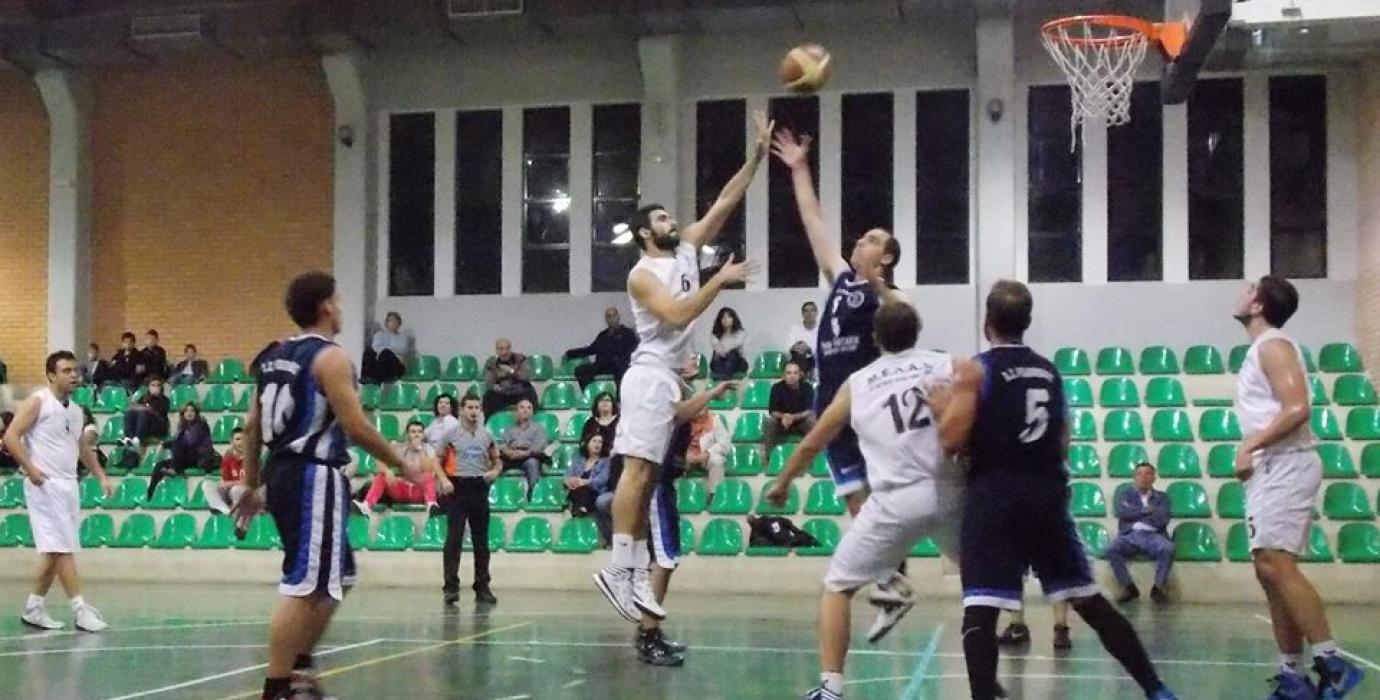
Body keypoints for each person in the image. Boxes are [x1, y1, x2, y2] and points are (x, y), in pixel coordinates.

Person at [930, 279, 1176, 700]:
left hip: (996, 496)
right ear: (1026, 323)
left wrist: (941, 409)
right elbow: (1062, 442)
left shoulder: (976, 369)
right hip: (1046, 495)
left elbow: (952, 441)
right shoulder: (1049, 371)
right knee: (1089, 600)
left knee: (981, 609)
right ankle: (1157, 690)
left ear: (987, 323)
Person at [593, 109, 771, 626]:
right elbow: (677, 315)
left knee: (649, 476)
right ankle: (619, 567)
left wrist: (757, 156)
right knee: (637, 471)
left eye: (672, 217)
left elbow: (726, 200)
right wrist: (721, 280)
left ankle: (632, 568)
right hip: (648, 374)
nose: (673, 222)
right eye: (663, 219)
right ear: (645, 233)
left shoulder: (687, 249)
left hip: (669, 377)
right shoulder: (642, 274)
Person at [765, 303, 961, 699]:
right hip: (949, 492)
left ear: (874, 338)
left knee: (837, 587)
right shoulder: (945, 364)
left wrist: (783, 482)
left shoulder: (859, 382)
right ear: (918, 331)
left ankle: (831, 688)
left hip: (894, 501)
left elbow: (814, 441)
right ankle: (986, 674)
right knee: (980, 580)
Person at [231, 271, 410, 700]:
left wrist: (252, 484)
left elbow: (252, 426)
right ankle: (278, 686)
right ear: (326, 306)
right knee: (305, 584)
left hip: (282, 471)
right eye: (339, 300)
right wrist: (403, 464)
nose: (342, 307)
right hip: (313, 473)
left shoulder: (271, 357)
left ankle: (300, 667)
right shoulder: (331, 358)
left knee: (341, 573)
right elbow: (356, 426)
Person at [772, 128, 912, 634]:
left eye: (872, 239)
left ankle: (895, 577)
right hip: (829, 403)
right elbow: (813, 220)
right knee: (858, 501)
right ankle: (892, 583)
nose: (859, 241)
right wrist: (799, 168)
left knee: (876, 499)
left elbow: (909, 315)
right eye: (861, 237)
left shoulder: (887, 296)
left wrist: (880, 287)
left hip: (866, 405)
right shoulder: (840, 278)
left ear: (887, 256)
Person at [1231, 276, 1364, 700]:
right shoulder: (1261, 348)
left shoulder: (1274, 345)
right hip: (1272, 466)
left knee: (1277, 562)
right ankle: (1292, 674)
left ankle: (1332, 662)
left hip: (1288, 461)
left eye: (1249, 288)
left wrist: (1249, 445)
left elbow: (1297, 408)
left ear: (1258, 305)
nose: (1241, 292)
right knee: (1267, 568)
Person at [4, 351, 115, 633]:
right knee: (63, 547)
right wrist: (31, 469)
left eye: (75, 370)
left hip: (68, 484)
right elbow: (11, 437)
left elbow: (82, 448)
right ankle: (80, 610)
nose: (74, 375)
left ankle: (34, 608)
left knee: (54, 550)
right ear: (51, 375)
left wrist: (101, 476)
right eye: (66, 370)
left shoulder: (76, 411)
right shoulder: (38, 402)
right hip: (45, 484)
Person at [439, 394, 501, 606]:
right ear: (462, 410)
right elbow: (436, 461)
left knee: (481, 541)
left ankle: (482, 587)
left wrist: (495, 471)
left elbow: (497, 461)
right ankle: (450, 587)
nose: (474, 411)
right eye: (470, 407)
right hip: (457, 487)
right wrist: (443, 480)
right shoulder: (451, 435)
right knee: (454, 538)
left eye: (477, 407)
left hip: (479, 487)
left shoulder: (487, 435)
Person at [1106, 463, 1174, 605]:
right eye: (1139, 474)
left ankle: (1158, 588)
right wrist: (1145, 511)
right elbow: (1123, 513)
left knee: (1167, 548)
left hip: (1153, 535)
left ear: (1154, 478)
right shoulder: (1124, 495)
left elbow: (1162, 520)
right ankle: (1129, 587)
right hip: (1130, 535)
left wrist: (1135, 514)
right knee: (1111, 549)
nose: (1143, 477)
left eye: (1147, 474)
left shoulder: (1162, 497)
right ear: (1134, 477)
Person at [352, 420, 449, 519]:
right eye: (413, 432)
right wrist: (387, 471)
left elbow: (427, 469)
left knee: (428, 477)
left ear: (423, 435)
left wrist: (420, 450)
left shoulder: (428, 450)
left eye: (419, 432)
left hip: (418, 491)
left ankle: (431, 504)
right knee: (382, 476)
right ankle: (366, 506)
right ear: (407, 435)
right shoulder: (398, 447)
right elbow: (380, 461)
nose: (416, 435)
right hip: (401, 489)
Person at [146, 402, 216, 501]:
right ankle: (150, 495)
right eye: (186, 411)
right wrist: (163, 444)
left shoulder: (200, 426)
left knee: (177, 445)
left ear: (196, 413)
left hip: (198, 457)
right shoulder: (183, 426)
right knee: (159, 466)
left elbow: (190, 443)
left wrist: (167, 444)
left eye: (192, 411)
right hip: (184, 458)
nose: (189, 413)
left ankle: (175, 469)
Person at [565, 307, 638, 390]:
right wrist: (570, 354)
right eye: (609, 316)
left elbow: (633, 350)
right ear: (606, 320)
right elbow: (591, 349)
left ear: (618, 317)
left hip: (619, 366)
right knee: (581, 371)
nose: (612, 319)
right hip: (602, 365)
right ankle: (592, 392)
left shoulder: (627, 333)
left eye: (614, 315)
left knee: (621, 370)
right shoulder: (603, 335)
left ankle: (620, 396)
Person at [762, 361, 816, 463]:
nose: (792, 376)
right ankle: (769, 458)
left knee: (812, 421)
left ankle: (813, 458)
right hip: (782, 422)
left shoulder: (807, 387)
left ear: (800, 375)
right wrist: (784, 416)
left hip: (801, 421)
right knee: (769, 422)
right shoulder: (776, 388)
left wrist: (792, 417)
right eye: (789, 373)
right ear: (783, 375)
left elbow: (809, 410)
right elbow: (772, 411)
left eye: (795, 373)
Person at [498, 399, 549, 497]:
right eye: (522, 407)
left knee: (532, 463)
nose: (525, 410)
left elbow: (539, 447)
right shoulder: (509, 428)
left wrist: (524, 453)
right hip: (511, 457)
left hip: (529, 457)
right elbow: (503, 445)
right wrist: (508, 452)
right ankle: (494, 494)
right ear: (516, 411)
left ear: (532, 412)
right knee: (496, 463)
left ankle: (533, 496)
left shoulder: (538, 428)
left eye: (529, 408)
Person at [683, 402, 730, 501]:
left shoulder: (715, 420)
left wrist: (707, 453)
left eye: (702, 409)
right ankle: (680, 495)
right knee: (673, 460)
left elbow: (724, 444)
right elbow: (675, 443)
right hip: (688, 456)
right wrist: (685, 453)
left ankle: (715, 494)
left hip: (706, 456)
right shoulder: (683, 421)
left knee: (717, 460)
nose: (699, 412)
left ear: (707, 409)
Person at [482, 338, 539, 417]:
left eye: (507, 348)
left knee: (530, 391)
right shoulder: (492, 363)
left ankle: (533, 419)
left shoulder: (521, 359)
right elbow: (489, 382)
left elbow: (526, 377)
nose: (504, 352)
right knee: (488, 396)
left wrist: (511, 372)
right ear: (496, 350)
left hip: (519, 391)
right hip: (502, 392)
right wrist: (495, 387)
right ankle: (490, 422)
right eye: (501, 349)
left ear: (510, 349)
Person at [203, 427, 249, 516]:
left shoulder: (253, 457)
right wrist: (224, 485)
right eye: (238, 439)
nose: (241, 442)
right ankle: (225, 509)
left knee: (236, 489)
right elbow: (225, 481)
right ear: (232, 442)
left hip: (245, 493)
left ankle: (234, 511)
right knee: (206, 485)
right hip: (229, 492)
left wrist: (230, 484)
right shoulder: (228, 458)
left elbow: (251, 483)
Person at [120, 377, 170, 454]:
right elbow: (134, 407)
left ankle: (138, 438)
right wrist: (141, 408)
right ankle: (128, 438)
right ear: (149, 387)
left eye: (158, 385)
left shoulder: (165, 400)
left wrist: (145, 409)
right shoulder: (144, 398)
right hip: (145, 425)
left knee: (144, 413)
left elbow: (158, 414)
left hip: (158, 426)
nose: (156, 387)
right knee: (129, 413)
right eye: (153, 385)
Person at [363, 311, 412, 385]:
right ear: (386, 323)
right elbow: (376, 347)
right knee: (369, 352)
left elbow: (402, 349)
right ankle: (366, 378)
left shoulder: (403, 337)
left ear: (399, 324)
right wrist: (393, 352)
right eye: (390, 321)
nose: (393, 323)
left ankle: (381, 381)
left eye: (395, 321)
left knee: (386, 353)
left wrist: (386, 349)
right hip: (381, 362)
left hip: (396, 365)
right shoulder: (379, 335)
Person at [565, 433, 606, 518]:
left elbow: (603, 479)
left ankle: (579, 510)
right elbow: (568, 474)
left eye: (600, 442)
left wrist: (586, 482)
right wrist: (569, 481)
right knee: (577, 489)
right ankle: (580, 509)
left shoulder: (605, 461)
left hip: (595, 491)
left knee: (585, 489)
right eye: (594, 441)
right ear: (588, 443)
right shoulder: (579, 459)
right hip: (576, 490)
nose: (597, 444)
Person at [425, 393, 461, 476]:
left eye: (446, 403)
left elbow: (444, 444)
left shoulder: (451, 420)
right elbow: (424, 435)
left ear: (451, 408)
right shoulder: (435, 421)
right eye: (440, 402)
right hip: (432, 453)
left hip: (443, 457)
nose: (443, 405)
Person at [708, 307, 749, 380]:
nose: (726, 319)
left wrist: (724, 351)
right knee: (716, 355)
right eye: (723, 317)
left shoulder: (741, 333)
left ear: (733, 319)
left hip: (738, 363)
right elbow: (716, 346)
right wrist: (721, 352)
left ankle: (725, 377)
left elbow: (736, 344)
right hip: (721, 361)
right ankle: (722, 377)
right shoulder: (715, 334)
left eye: (729, 317)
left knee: (732, 353)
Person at [579, 392, 619, 458]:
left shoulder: (620, 421)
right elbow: (583, 443)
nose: (604, 402)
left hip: (616, 457)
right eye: (601, 400)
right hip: (595, 458)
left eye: (607, 400)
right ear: (597, 405)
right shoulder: (590, 423)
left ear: (613, 404)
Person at [785, 301, 820, 377]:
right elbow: (788, 348)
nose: (809, 314)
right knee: (799, 355)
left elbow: (822, 351)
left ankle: (802, 376)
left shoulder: (822, 329)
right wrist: (795, 347)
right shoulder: (795, 328)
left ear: (816, 313)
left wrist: (808, 349)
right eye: (806, 311)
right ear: (802, 314)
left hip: (815, 360)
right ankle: (802, 375)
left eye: (812, 310)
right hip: (798, 358)